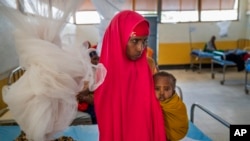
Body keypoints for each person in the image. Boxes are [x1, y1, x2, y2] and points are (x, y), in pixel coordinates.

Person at [94, 10, 166, 141]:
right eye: (135, 41)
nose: (140, 48)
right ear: (119, 37)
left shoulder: (149, 65)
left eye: (144, 41)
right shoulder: (103, 72)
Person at [153, 71, 189, 141]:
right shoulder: (151, 102)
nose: (162, 93)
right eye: (157, 89)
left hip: (177, 136)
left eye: (166, 89)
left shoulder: (177, 105)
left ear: (173, 90)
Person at [76, 48, 99, 124]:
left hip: (95, 99)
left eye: (98, 59)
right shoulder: (83, 72)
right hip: (86, 102)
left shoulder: (99, 70)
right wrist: (91, 88)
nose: (97, 61)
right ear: (88, 60)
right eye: (94, 59)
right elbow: (80, 93)